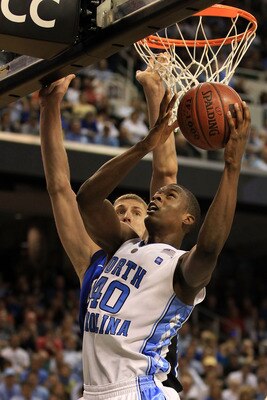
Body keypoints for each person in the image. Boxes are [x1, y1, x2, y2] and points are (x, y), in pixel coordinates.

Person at [76, 96, 250, 400]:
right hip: (94, 391)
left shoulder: (181, 267)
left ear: (188, 219)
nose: (157, 196)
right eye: (157, 194)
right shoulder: (123, 243)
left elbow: (209, 248)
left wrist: (232, 167)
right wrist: (143, 146)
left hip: (138, 389)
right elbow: (87, 199)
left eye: (169, 196)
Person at [39, 65, 180, 391]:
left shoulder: (163, 252)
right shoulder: (92, 261)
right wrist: (51, 105)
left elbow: (166, 173)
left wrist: (154, 91)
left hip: (155, 386)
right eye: (119, 210)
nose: (127, 215)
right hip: (101, 389)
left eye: (136, 210)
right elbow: (60, 188)